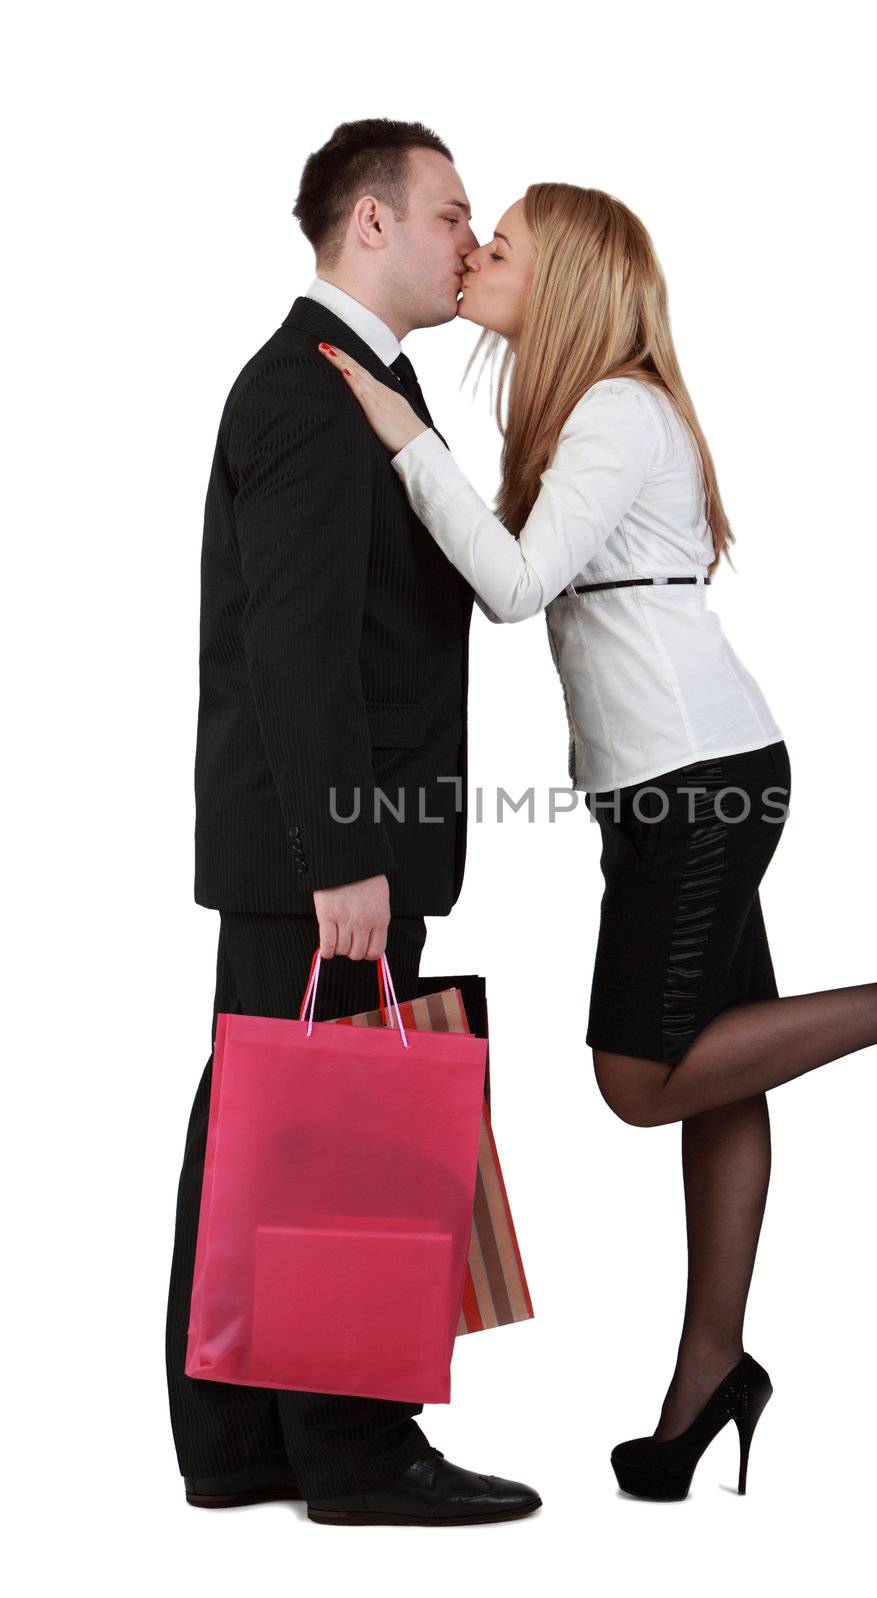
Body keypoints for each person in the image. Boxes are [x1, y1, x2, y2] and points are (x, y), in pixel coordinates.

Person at [317, 180, 877, 1502]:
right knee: (723, 1076)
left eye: (498, 247)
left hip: (695, 781)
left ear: (559, 282)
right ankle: (705, 1383)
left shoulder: (615, 410)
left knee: (638, 1074)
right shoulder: (588, 412)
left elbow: (513, 591)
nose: (476, 259)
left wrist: (399, 434)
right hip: (685, 776)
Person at [166, 118, 541, 1527]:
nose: (469, 240)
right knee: (329, 1137)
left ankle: (244, 1443)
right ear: (369, 226)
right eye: (451, 214)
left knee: (258, 1129)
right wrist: (347, 855)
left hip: (313, 844)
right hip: (324, 850)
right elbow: (299, 650)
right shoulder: (312, 392)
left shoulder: (350, 384)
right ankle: (356, 1453)